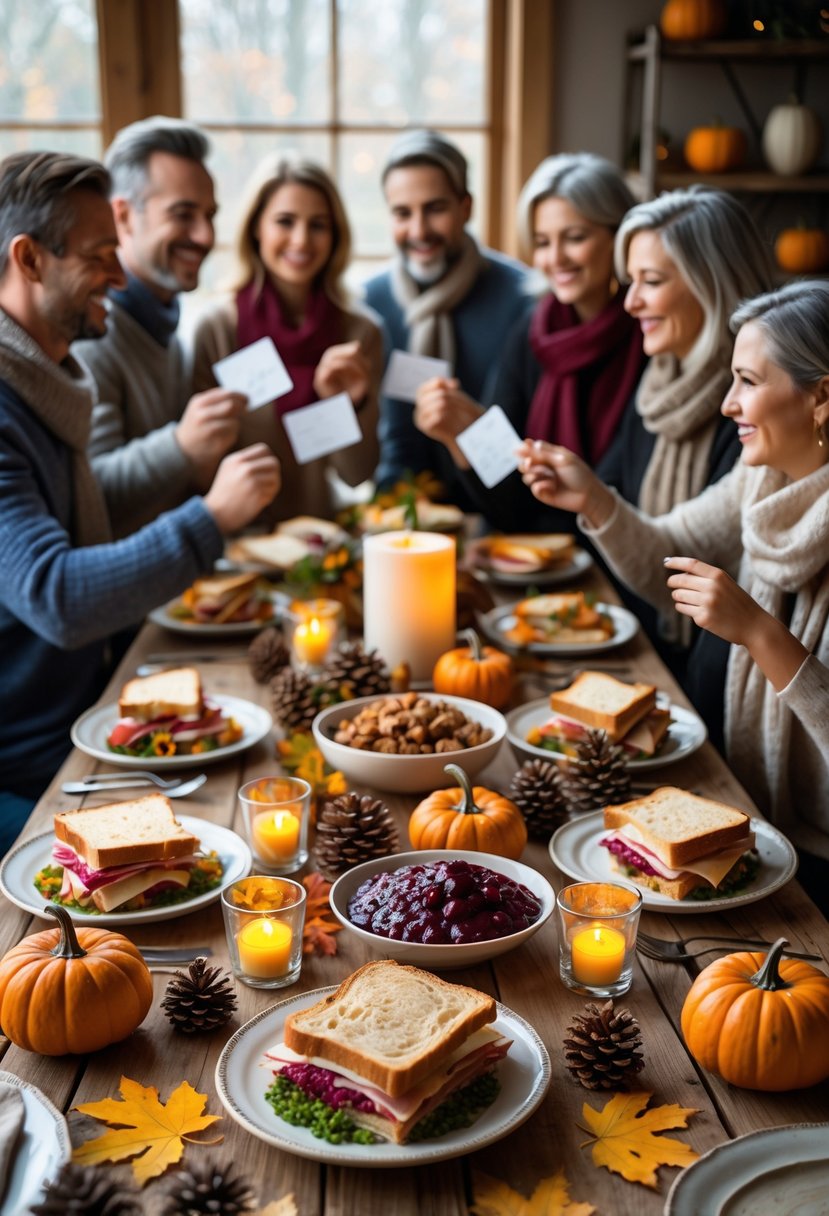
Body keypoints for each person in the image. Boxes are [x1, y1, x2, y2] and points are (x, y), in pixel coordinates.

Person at [0, 151, 280, 852]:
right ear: (29, 260)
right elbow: (58, 597)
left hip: (88, 711)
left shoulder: (47, 382)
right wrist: (211, 518)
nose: (120, 278)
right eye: (100, 257)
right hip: (27, 763)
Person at [519, 281, 829, 899]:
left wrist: (762, 635)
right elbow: (667, 553)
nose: (727, 404)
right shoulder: (760, 476)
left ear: (821, 397)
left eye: (748, 381)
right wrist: (594, 500)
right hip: (746, 816)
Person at [413, 152, 645, 531]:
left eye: (575, 237)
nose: (555, 259)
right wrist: (464, 435)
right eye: (541, 242)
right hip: (534, 550)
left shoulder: (647, 336)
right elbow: (509, 507)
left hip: (618, 560)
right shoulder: (532, 331)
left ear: (620, 237)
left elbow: (625, 495)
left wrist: (477, 432)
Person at [74, 116, 247, 537]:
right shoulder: (89, 337)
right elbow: (86, 498)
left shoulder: (175, 326)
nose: (205, 235)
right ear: (123, 217)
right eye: (183, 215)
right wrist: (182, 445)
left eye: (209, 215)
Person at [191, 154, 382, 522]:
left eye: (318, 225)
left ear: (336, 235)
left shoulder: (358, 335)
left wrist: (349, 404)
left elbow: (357, 474)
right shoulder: (217, 329)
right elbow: (197, 471)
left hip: (322, 546)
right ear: (255, 228)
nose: (301, 240)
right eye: (285, 221)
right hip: (234, 546)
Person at [365, 128, 530, 505]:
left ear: (465, 206)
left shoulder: (521, 300)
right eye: (403, 213)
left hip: (501, 520)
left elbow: (530, 447)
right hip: (397, 516)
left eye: (435, 209)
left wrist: (469, 425)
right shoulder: (369, 305)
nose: (419, 231)